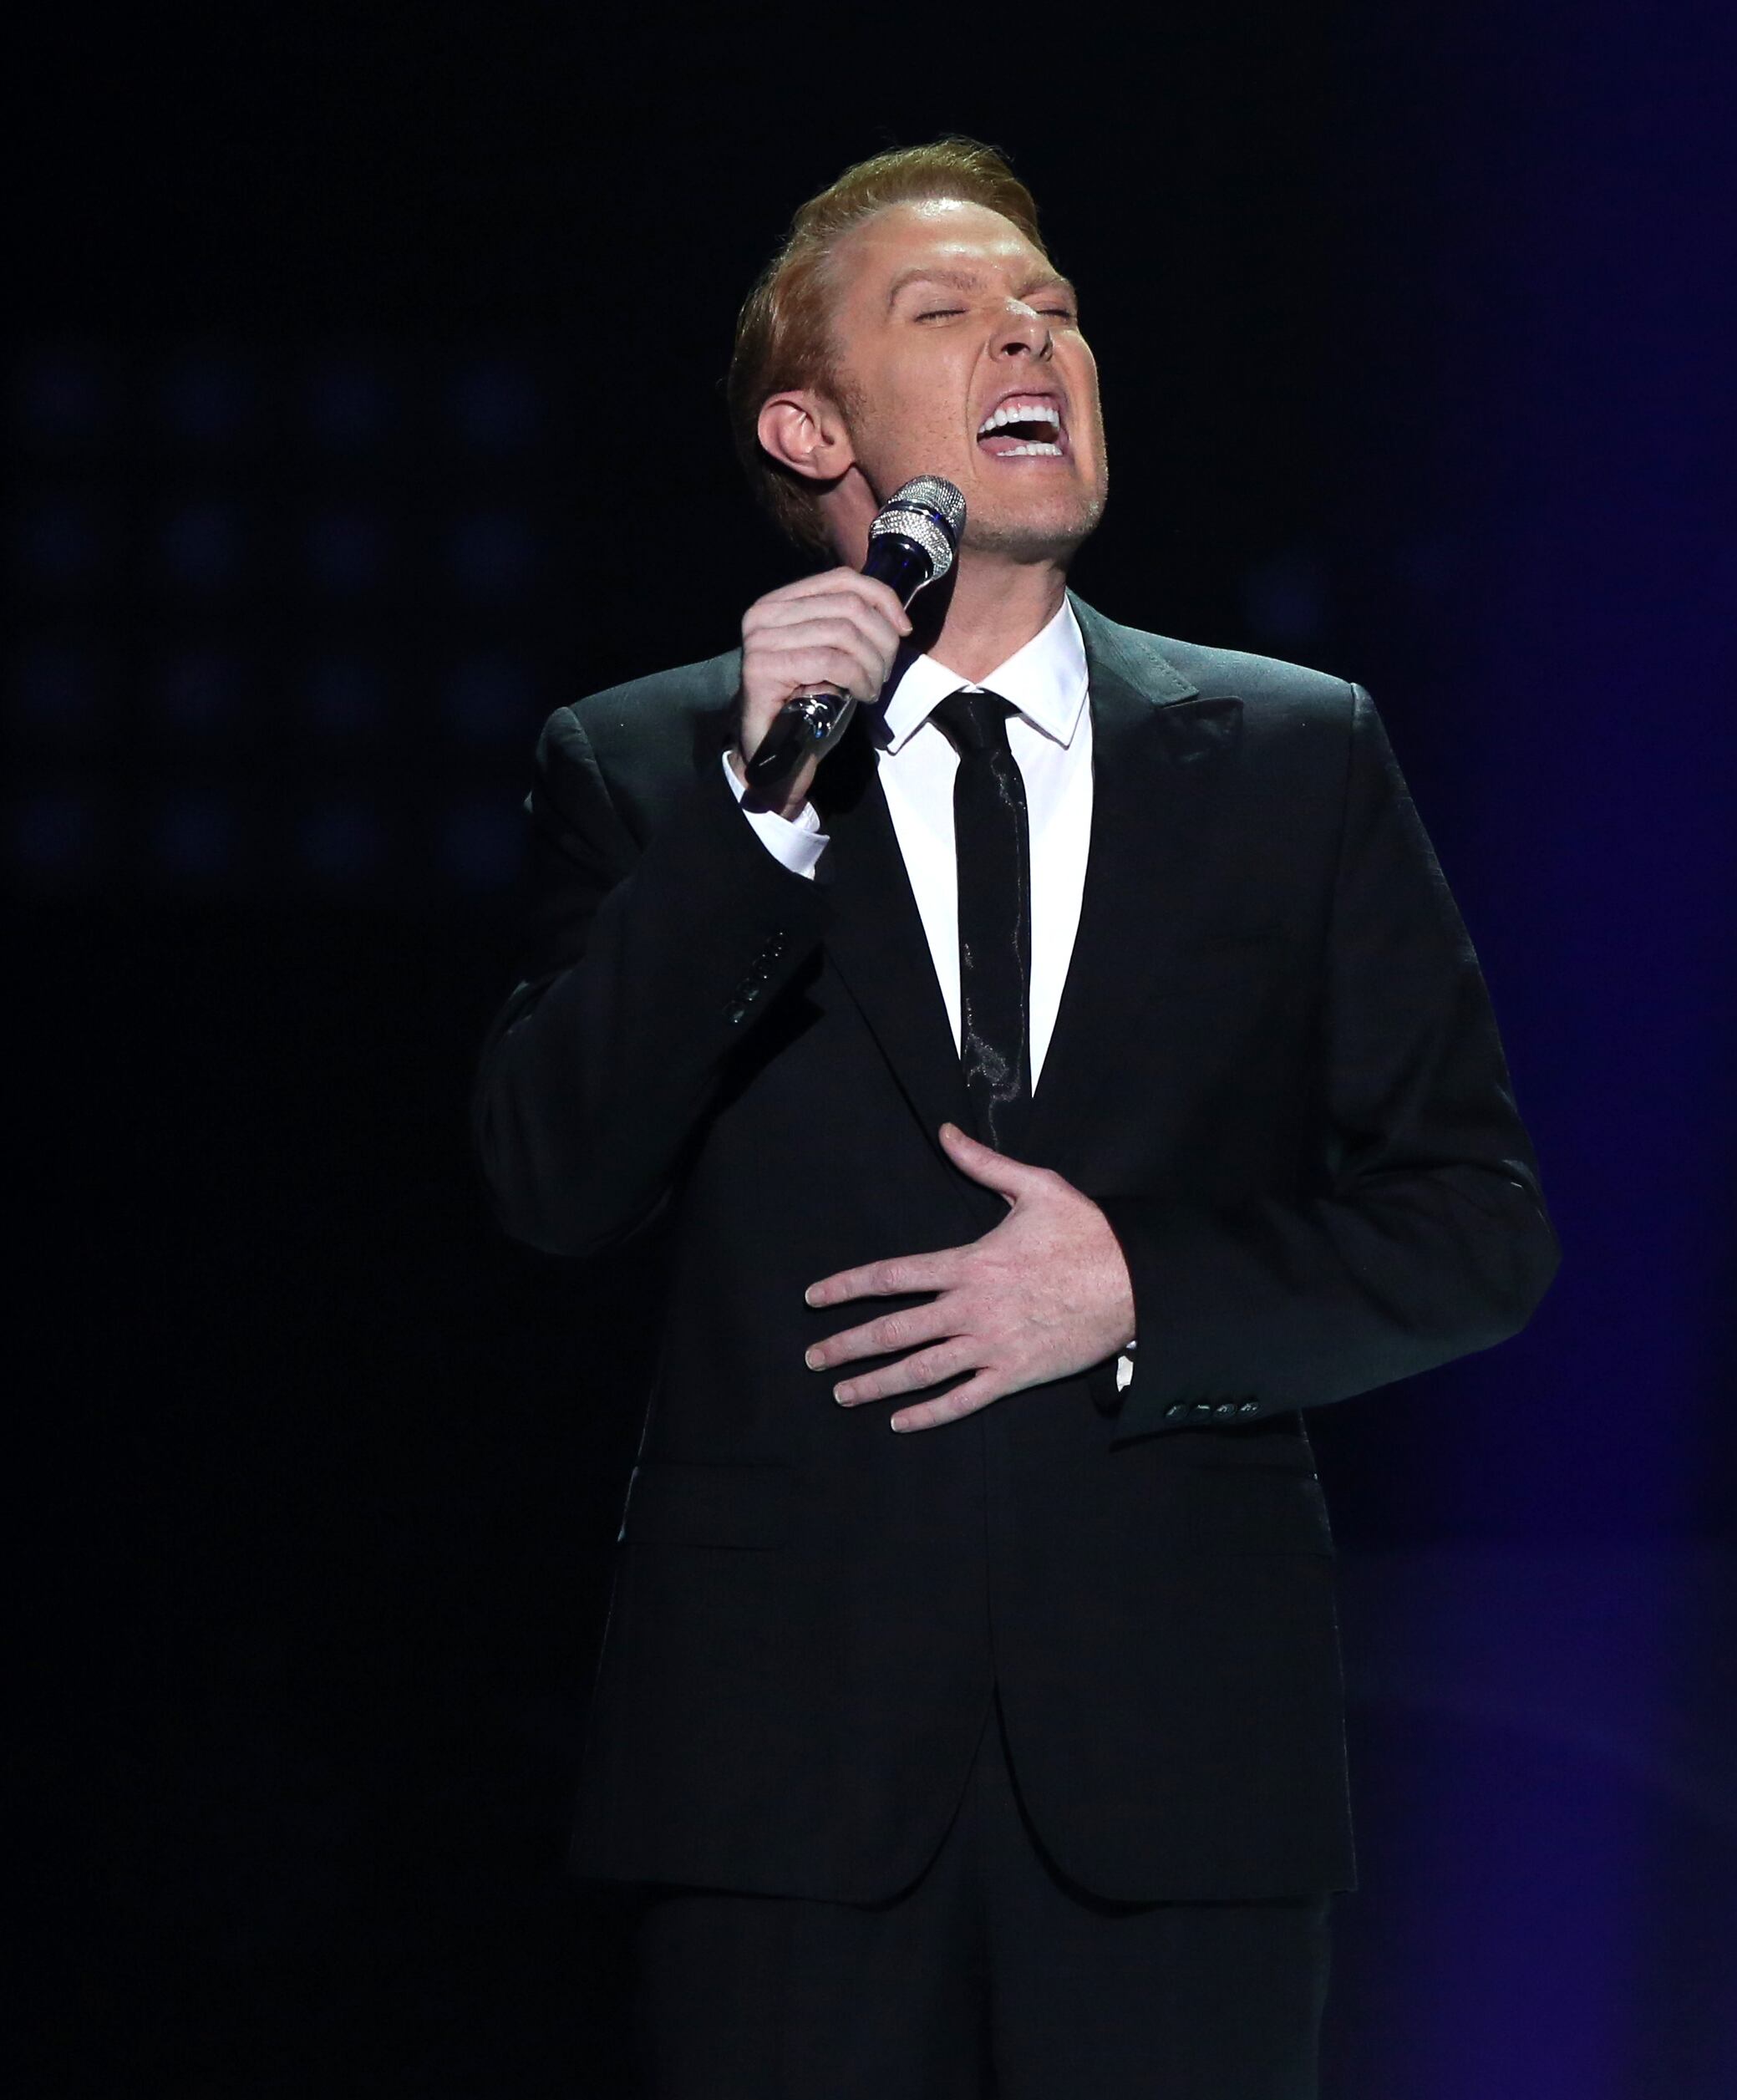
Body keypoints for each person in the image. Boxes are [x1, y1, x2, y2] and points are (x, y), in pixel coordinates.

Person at [473, 140, 1556, 2097]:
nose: (1030, 328)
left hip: (1177, 1779)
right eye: (947, 311)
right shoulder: (645, 766)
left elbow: (1474, 1225)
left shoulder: (1292, 754)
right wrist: (756, 822)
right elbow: (553, 1181)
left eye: (1048, 305)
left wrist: (1140, 1290)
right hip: (784, 1785)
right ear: (814, 428)